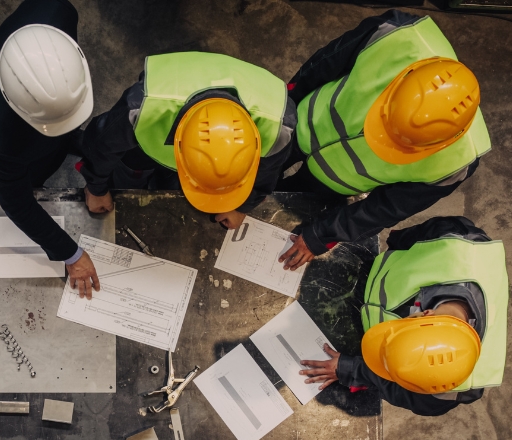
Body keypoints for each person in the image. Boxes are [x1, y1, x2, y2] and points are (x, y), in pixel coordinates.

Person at [276, 10, 492, 272]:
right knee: (265, 164)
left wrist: (320, 236)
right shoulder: (396, 36)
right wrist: (284, 111)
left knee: (285, 204)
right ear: (398, 83)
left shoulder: (456, 163)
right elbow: (323, 64)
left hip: (334, 180)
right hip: (304, 120)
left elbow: (384, 209)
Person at [300, 217, 508, 416]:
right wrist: (396, 242)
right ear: (425, 313)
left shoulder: (451, 388)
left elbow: (405, 392)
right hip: (367, 271)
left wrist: (352, 369)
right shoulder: (458, 242)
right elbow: (411, 236)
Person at [0, 0, 100, 298]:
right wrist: (72, 254)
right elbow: (18, 205)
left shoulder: (58, 11)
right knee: (33, 179)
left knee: (65, 138)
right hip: (20, 146)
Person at [78, 51, 297, 227]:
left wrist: (241, 206)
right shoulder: (142, 109)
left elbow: (267, 172)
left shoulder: (279, 125)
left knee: (173, 190)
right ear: (177, 144)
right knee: (128, 181)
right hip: (143, 149)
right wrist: (97, 188)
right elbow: (101, 144)